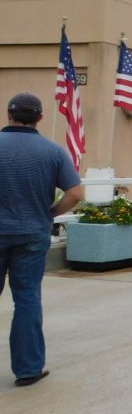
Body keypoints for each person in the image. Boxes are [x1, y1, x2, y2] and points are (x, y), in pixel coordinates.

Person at [0, 93, 83, 386]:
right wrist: (50, 213)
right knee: (26, 299)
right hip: (33, 231)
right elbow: (75, 193)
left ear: (8, 114)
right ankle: (28, 369)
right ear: (39, 118)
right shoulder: (53, 151)